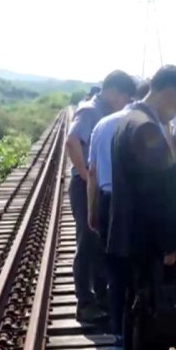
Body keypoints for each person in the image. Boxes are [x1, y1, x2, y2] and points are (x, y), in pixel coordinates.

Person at [104, 65, 176, 350]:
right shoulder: (145, 128)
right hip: (149, 243)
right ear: (168, 92)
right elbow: (158, 196)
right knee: (153, 321)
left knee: (138, 318)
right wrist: (170, 245)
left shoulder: (127, 121)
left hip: (134, 240)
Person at [66, 71, 137, 323]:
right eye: (125, 96)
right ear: (114, 91)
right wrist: (87, 178)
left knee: (100, 240)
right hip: (85, 183)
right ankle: (85, 302)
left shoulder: (105, 112)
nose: (126, 101)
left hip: (98, 184)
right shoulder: (90, 110)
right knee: (87, 241)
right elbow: (72, 142)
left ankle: (101, 295)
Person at [88, 80, 149, 348]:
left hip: (107, 201)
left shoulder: (103, 124)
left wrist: (92, 210)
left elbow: (92, 173)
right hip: (138, 203)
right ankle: (144, 329)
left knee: (115, 272)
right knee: (143, 268)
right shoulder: (147, 125)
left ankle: (119, 333)